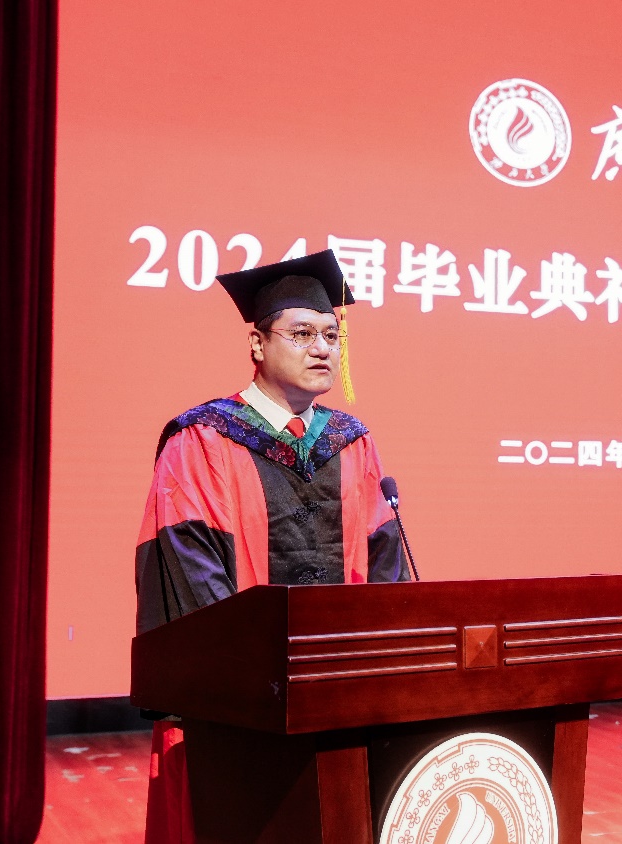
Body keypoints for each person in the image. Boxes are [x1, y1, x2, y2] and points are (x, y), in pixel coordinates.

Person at [133, 250, 411, 843]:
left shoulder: (351, 443)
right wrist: (253, 679)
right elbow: (192, 578)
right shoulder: (203, 439)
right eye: (302, 333)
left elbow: (385, 571)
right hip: (239, 709)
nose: (322, 348)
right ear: (258, 344)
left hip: (341, 702)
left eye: (330, 336)